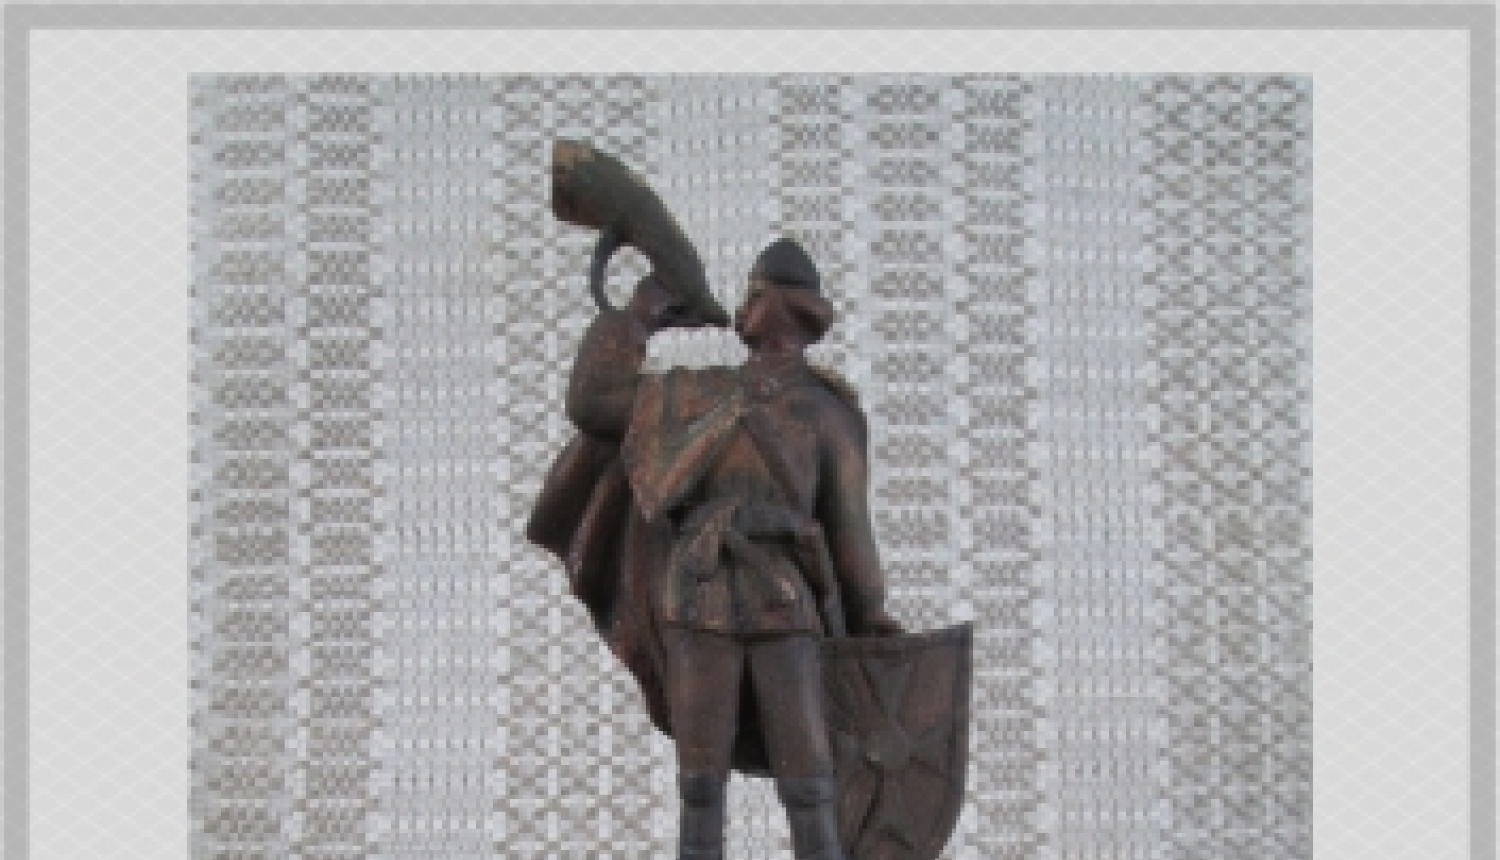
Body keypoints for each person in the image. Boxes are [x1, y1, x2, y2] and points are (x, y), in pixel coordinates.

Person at [529, 237, 900, 860]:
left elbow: (850, 535)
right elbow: (594, 403)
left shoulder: (820, 413)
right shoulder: (704, 396)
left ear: (780, 306)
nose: (743, 305)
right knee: (715, 784)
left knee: (804, 781)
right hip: (710, 595)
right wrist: (640, 314)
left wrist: (871, 617)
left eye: (755, 293)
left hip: (765, 601)